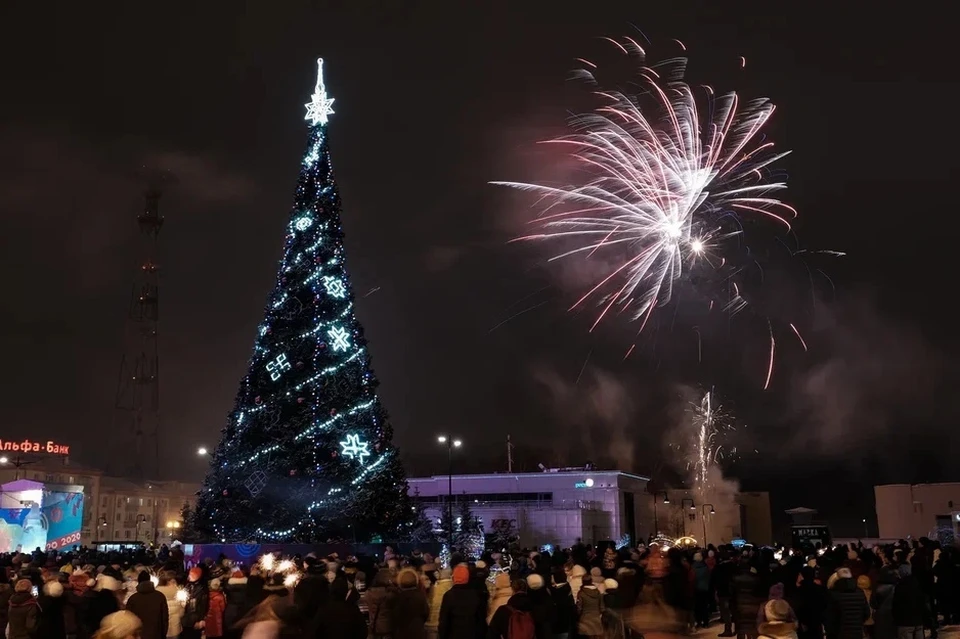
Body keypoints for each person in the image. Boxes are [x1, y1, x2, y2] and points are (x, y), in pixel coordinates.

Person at [438, 564, 486, 639]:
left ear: (454, 577)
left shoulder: (449, 595)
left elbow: (444, 621)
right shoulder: (475, 595)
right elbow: (480, 619)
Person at [125, 572, 169, 639]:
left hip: (139, 636)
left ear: (139, 582)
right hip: (156, 635)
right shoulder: (160, 596)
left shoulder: (133, 599)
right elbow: (164, 618)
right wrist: (163, 635)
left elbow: (128, 620)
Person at [391, 568, 429, 639]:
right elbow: (426, 612)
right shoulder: (420, 596)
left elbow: (395, 615)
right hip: (418, 630)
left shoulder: (397, 597)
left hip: (402, 632)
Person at [182, 568, 210, 639]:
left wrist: (201, 620)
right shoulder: (188, 586)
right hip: (186, 619)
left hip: (195, 619)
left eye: (191, 575)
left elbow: (204, 606)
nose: (189, 576)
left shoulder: (202, 589)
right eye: (189, 574)